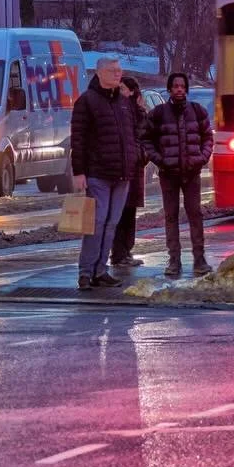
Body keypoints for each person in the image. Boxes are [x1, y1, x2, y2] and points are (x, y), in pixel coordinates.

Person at [70, 57, 140, 291]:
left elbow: (134, 133)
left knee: (111, 223)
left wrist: (135, 158)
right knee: (96, 223)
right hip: (98, 172)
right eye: (112, 70)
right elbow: (77, 139)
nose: (117, 74)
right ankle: (86, 272)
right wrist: (79, 171)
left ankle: (101, 270)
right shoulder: (87, 101)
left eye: (119, 70)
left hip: (122, 173)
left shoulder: (123, 102)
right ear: (99, 73)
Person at [144, 72, 214, 278]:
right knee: (171, 216)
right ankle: (174, 260)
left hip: (192, 171)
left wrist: (201, 158)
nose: (179, 89)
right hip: (169, 173)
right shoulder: (158, 113)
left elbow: (208, 138)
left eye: (182, 86)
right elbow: (145, 139)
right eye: (175, 86)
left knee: (195, 215)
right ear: (169, 89)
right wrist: (160, 159)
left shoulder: (197, 111)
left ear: (186, 89)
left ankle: (199, 259)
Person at [110, 76, 150, 269]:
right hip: (122, 168)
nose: (120, 91)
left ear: (132, 92)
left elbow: (145, 138)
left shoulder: (139, 113)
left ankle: (125, 250)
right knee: (120, 211)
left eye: (123, 88)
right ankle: (119, 252)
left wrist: (141, 155)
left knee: (129, 210)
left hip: (134, 168)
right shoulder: (117, 110)